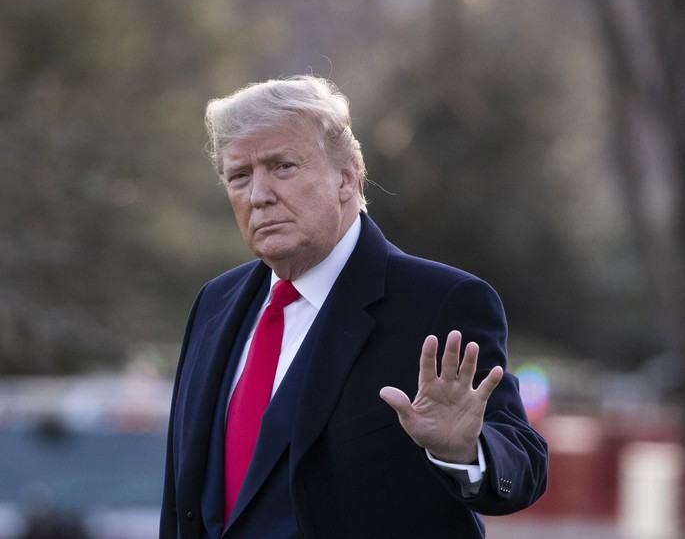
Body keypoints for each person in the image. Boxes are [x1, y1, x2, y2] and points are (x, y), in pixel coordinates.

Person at [160, 75, 548, 538]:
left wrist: (463, 452)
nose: (258, 195)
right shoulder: (213, 304)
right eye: (239, 176)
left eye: (282, 166)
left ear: (346, 177)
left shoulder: (440, 301)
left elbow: (524, 465)